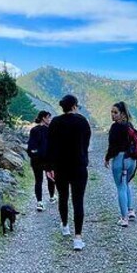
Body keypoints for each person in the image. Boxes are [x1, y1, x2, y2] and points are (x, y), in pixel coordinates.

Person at [45, 94, 92, 251]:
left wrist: (49, 167)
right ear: (74, 106)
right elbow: (86, 144)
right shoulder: (82, 121)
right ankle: (78, 238)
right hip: (78, 166)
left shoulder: (55, 122)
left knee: (63, 197)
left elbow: (50, 146)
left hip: (60, 167)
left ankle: (65, 226)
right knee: (78, 201)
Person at [105, 101, 137, 227]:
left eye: (115, 112)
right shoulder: (129, 125)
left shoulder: (115, 127)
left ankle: (124, 218)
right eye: (112, 112)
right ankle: (130, 211)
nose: (112, 115)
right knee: (126, 184)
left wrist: (107, 158)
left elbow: (112, 146)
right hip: (131, 160)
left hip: (119, 159)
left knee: (120, 187)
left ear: (122, 113)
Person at [26, 110, 55, 212]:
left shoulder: (34, 130)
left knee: (38, 181)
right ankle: (52, 197)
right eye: (49, 118)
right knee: (51, 178)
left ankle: (40, 202)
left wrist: (34, 155)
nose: (50, 120)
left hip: (36, 160)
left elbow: (30, 148)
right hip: (48, 160)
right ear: (44, 118)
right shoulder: (50, 130)